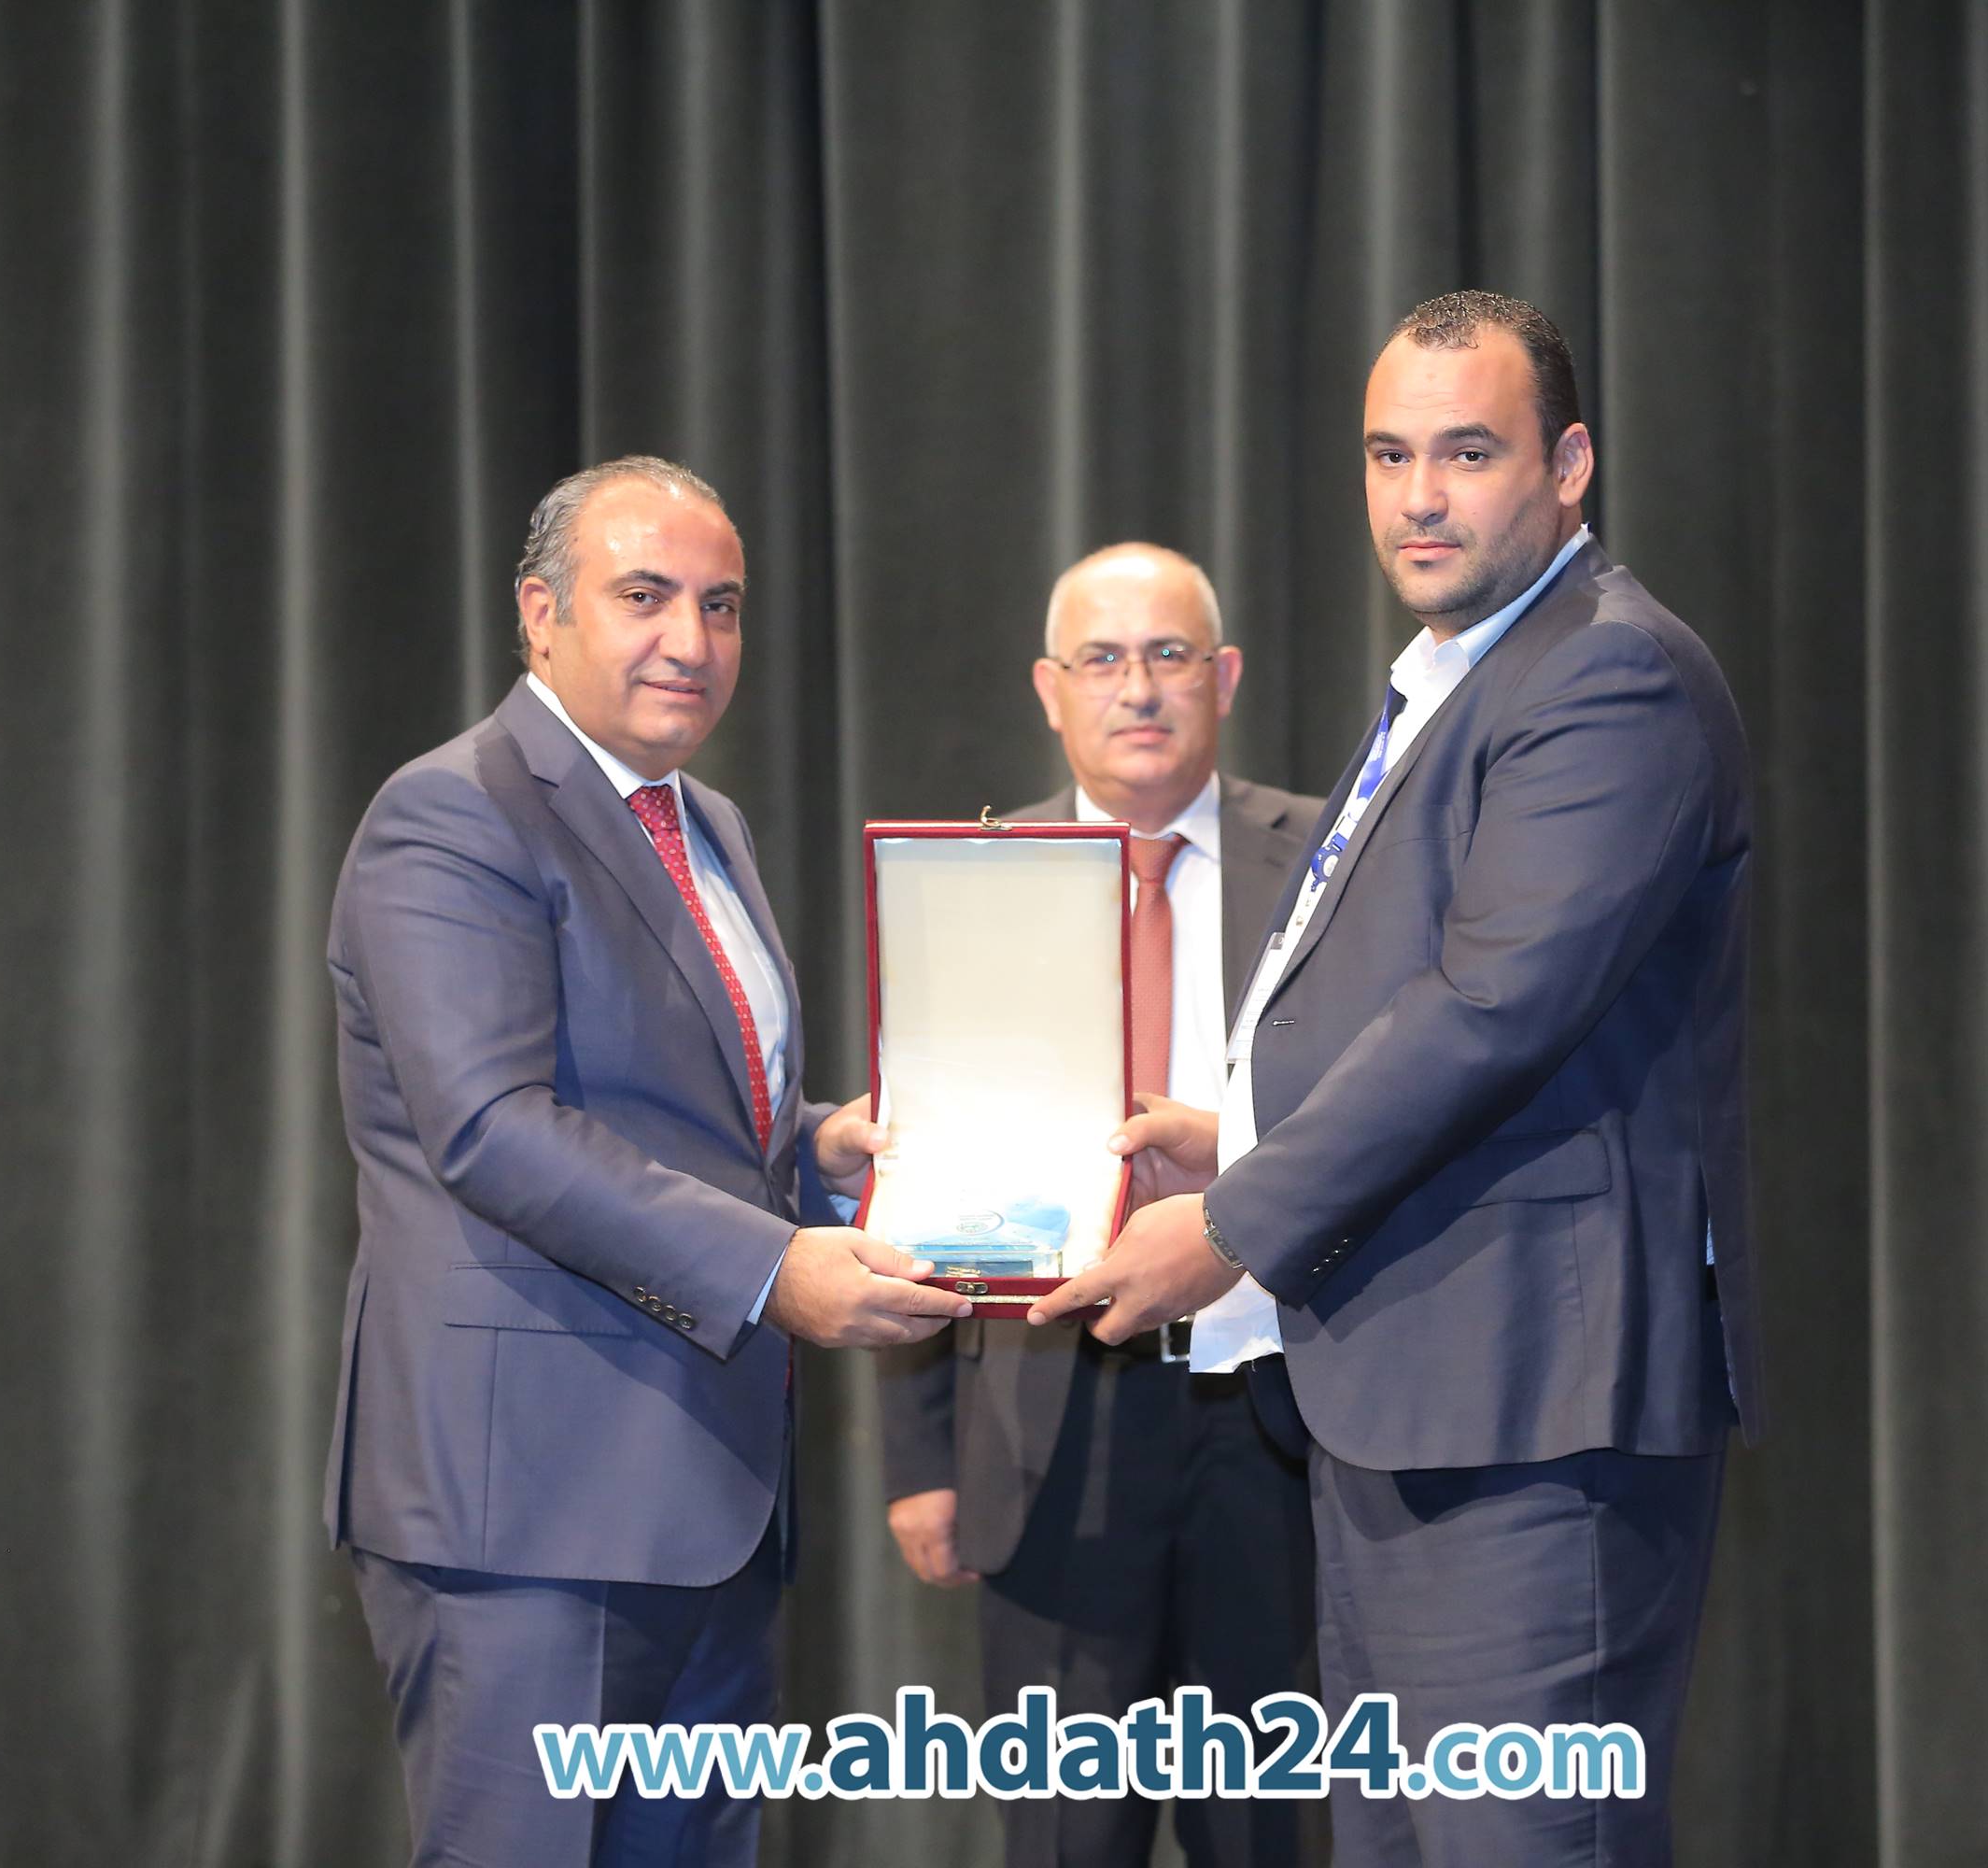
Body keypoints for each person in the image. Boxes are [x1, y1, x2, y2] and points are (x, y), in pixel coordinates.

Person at [1032, 290, 1762, 1864]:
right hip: (1414, 1399)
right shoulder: (1462, 668)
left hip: (1531, 1413)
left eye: (1468, 453)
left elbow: (1491, 1009)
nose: (1419, 496)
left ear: (1570, 465)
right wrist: (1235, 1133)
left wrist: (1231, 1220)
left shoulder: (1607, 676)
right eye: (1388, 455)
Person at [321, 455, 968, 1867]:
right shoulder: (452, 814)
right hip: (528, 1511)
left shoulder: (703, 821)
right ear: (539, 612)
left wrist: (817, 1147)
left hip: (707, 1501)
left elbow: (688, 1120)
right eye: (646, 596)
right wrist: (777, 1269)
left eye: (722, 605)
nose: (692, 638)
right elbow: (492, 1130)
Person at [876, 543, 1323, 1867]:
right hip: (1048, 1424)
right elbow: (921, 1158)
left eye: (1170, 655)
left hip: (1278, 1417)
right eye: (1105, 659)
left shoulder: (1331, 862)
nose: (1139, 688)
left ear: (1224, 678)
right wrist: (920, 1457)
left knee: (1269, 1834)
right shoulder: (976, 876)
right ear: (1049, 688)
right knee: (1068, 1836)